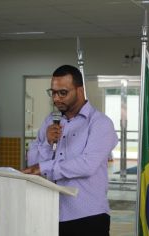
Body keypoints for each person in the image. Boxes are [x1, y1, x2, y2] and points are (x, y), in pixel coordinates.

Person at [22, 65, 118, 236]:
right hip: (50, 213)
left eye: (63, 93)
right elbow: (33, 164)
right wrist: (46, 142)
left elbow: (87, 165)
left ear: (80, 91)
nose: (56, 99)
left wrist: (45, 167)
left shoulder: (100, 123)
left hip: (88, 217)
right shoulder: (51, 121)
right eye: (53, 92)